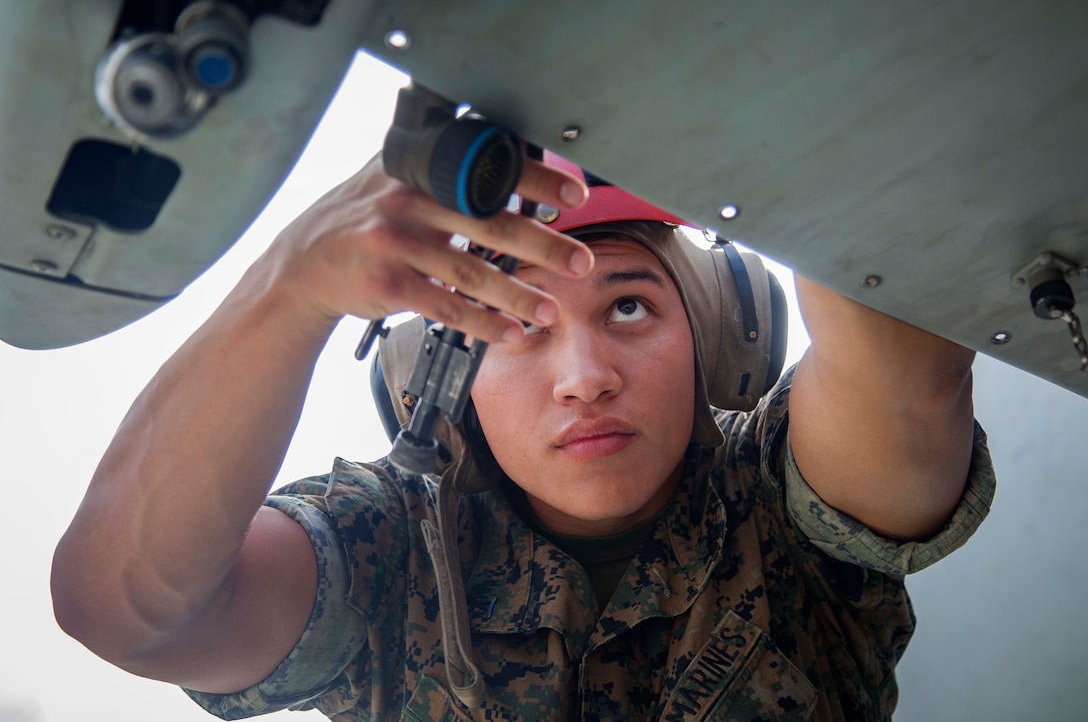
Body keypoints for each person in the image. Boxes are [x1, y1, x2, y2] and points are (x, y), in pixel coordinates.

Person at [51, 148, 995, 721]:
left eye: (629, 304)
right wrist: (290, 291)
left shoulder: (775, 496)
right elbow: (126, 607)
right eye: (517, 322)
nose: (585, 376)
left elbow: (907, 387)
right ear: (441, 382)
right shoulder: (392, 550)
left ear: (717, 338)